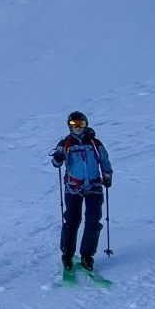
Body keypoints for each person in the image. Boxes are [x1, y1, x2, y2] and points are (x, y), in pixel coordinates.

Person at [50, 111, 113, 273]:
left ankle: (87, 256)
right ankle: (67, 255)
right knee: (72, 221)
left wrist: (107, 175)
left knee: (93, 221)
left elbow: (104, 160)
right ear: (69, 126)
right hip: (73, 187)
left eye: (81, 124)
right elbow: (57, 163)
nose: (78, 128)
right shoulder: (66, 143)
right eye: (74, 124)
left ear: (86, 124)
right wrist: (58, 158)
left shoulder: (94, 143)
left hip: (94, 186)